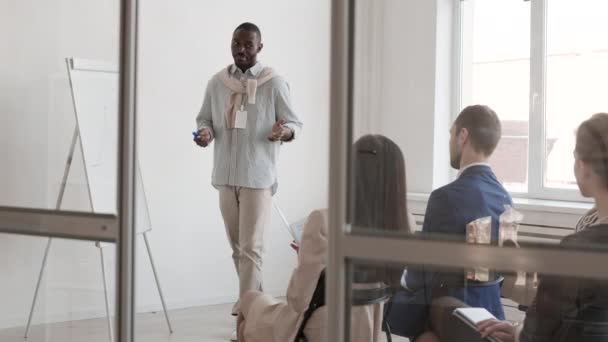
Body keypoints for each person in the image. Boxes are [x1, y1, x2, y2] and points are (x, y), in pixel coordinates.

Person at [420, 113, 608, 342]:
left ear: (583, 166)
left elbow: (535, 335)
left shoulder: (577, 250)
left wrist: (518, 331)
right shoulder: (503, 196)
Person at [236, 135, 416, 342]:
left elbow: (297, 301)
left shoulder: (323, 221)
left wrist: (305, 257)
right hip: (368, 330)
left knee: (249, 300)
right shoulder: (405, 224)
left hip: (322, 329)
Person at [194, 22, 303, 340]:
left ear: (259, 48)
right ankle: (259, 309)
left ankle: (244, 326)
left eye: (248, 45)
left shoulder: (274, 83)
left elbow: (294, 122)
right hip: (225, 176)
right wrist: (205, 132)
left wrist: (283, 132)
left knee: (252, 249)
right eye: (236, 43)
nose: (241, 49)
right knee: (238, 249)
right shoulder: (218, 82)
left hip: (258, 177)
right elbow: (205, 118)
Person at [390, 105, 512, 339]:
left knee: (385, 301)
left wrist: (396, 271)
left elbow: (420, 276)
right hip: (492, 314)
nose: (449, 141)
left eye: (451, 133)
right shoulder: (504, 198)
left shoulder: (445, 197)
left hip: (455, 316)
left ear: (462, 136)